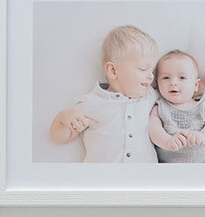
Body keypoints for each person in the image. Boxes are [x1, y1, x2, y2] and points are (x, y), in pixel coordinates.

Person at [48, 25, 161, 163]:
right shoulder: (93, 102)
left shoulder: (150, 97)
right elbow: (58, 138)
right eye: (143, 69)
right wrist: (64, 117)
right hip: (101, 180)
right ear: (113, 71)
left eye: (153, 71)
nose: (151, 77)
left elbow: (180, 94)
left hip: (144, 180)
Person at [148, 50, 205, 163]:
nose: (173, 83)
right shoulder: (159, 107)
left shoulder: (202, 104)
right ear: (157, 84)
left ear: (196, 85)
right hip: (174, 167)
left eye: (182, 78)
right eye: (166, 78)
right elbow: (153, 129)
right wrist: (167, 141)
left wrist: (204, 136)